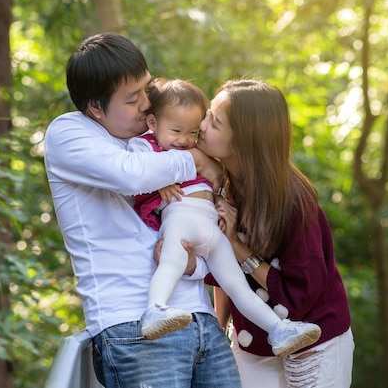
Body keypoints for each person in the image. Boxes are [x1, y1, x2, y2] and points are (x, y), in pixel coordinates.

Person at [43, 33, 241, 388]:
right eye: (133, 99)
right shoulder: (70, 132)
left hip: (200, 320)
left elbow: (194, 230)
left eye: (148, 90)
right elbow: (130, 175)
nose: (148, 104)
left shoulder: (163, 140)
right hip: (134, 327)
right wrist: (195, 158)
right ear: (96, 108)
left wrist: (194, 264)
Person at [129, 78, 322, 358]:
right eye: (177, 130)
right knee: (171, 261)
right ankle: (154, 310)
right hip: (181, 218)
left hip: (213, 229)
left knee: (237, 285)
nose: (187, 138)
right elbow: (135, 173)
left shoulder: (284, 194)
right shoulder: (149, 147)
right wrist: (161, 179)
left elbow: (216, 185)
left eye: (195, 130)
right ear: (152, 123)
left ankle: (279, 329)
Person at [197, 79, 355, 388]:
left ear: (244, 140)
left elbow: (301, 295)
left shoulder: (293, 202)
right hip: (254, 341)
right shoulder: (220, 183)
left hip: (315, 340)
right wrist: (220, 326)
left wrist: (236, 246)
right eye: (207, 114)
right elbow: (223, 271)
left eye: (214, 122)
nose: (201, 126)